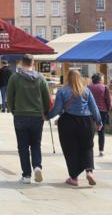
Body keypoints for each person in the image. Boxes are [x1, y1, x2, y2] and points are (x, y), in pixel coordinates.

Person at [48, 70, 102, 186]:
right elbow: (94, 108)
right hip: (87, 122)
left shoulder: (62, 90)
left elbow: (57, 109)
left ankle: (74, 178)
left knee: (70, 149)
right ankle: (89, 172)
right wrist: (99, 121)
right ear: (80, 78)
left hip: (68, 122)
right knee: (87, 147)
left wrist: (47, 116)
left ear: (68, 77)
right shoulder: (86, 90)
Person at [7, 54, 50, 184]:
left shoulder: (15, 77)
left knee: (23, 147)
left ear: (21, 62)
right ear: (33, 63)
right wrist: (45, 112)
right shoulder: (41, 78)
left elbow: (9, 97)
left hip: (20, 115)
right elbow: (47, 98)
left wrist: (14, 110)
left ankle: (26, 175)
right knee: (36, 143)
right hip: (37, 116)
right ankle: (37, 166)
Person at [88, 73, 110, 157]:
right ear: (100, 79)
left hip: (90, 112)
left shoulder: (88, 87)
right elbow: (108, 101)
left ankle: (89, 149)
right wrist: (108, 109)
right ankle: (101, 150)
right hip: (102, 111)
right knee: (101, 131)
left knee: (91, 131)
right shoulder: (104, 87)